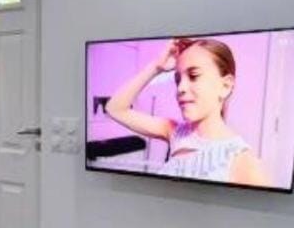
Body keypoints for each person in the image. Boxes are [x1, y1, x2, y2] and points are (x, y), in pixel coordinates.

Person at [105, 37, 268, 185]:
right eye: (178, 80)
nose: (180, 88)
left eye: (194, 76)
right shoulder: (175, 133)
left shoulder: (242, 160)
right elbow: (114, 108)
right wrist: (156, 67)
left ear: (225, 86)